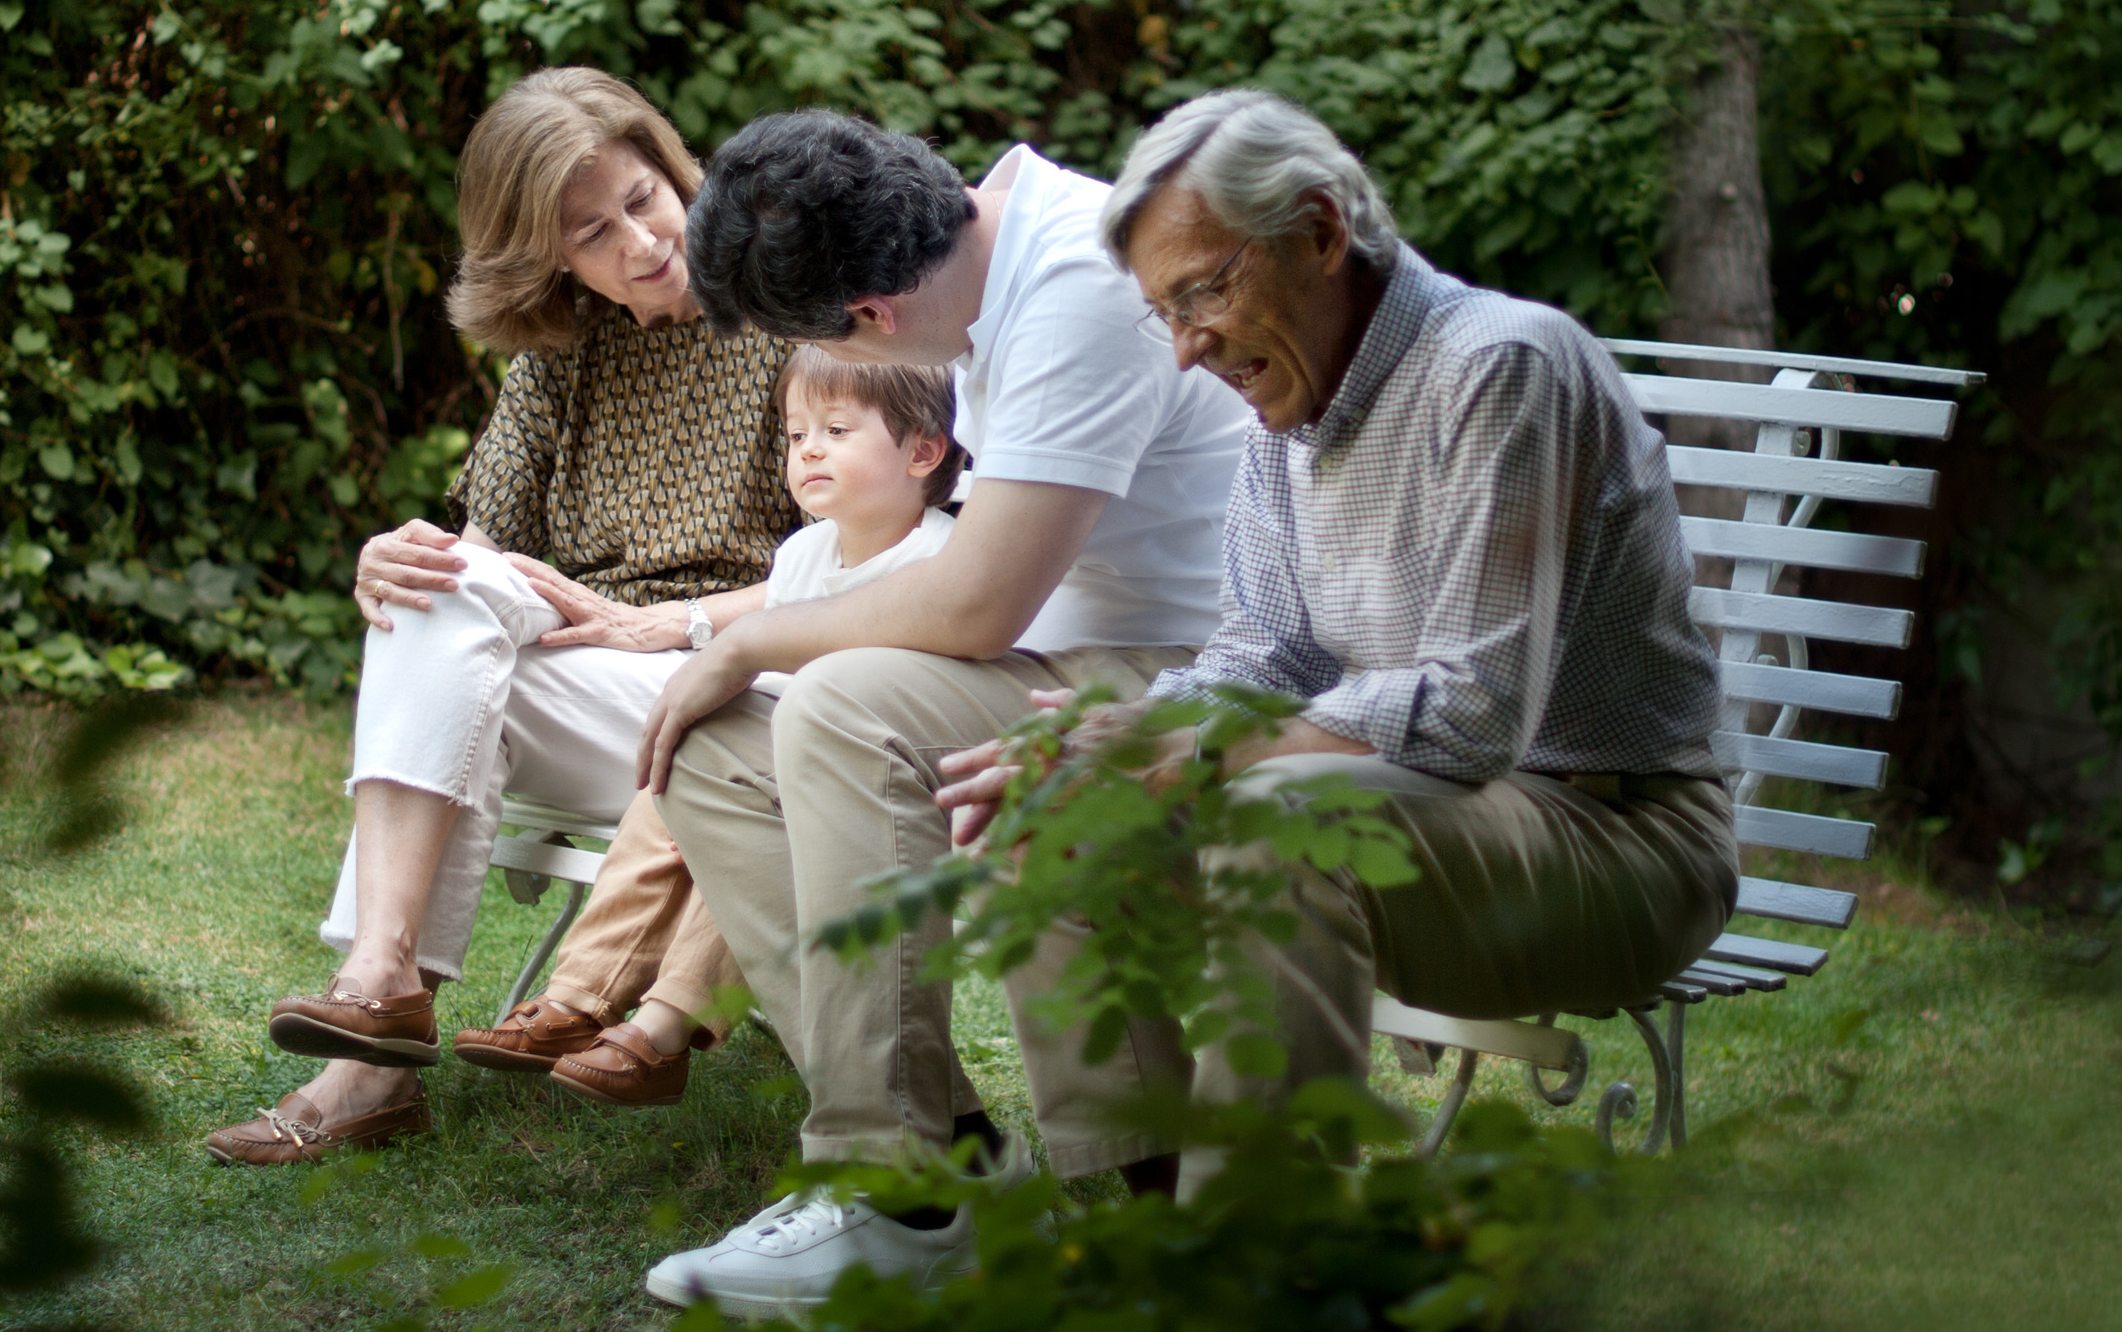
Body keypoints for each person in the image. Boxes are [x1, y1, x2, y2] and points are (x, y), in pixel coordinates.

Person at [937, 88, 1740, 1197]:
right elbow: (1260, 656)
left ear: (1318, 233)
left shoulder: (1502, 367)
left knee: (1284, 820)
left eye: (1203, 292)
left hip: (1618, 836)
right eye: (1163, 314)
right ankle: (1154, 1197)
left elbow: (1471, 713)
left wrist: (1202, 756)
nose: (1185, 351)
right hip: (1436, 823)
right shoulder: (1287, 414)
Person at [636, 112, 1252, 1316]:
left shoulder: (1079, 285)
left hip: (1194, 675)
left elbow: (975, 603)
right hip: (1071, 655)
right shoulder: (997, 252)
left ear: (864, 323)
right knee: (712, 753)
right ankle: (956, 1165)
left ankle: (893, 1191)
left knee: (841, 704)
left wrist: (748, 635)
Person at [204, 68, 799, 1166]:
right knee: (435, 594)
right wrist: (399, 564)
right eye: (592, 231)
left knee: (460, 639)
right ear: (549, 257)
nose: (640, 241)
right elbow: (484, 552)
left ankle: (365, 1064)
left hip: (745, 693)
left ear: (676, 170)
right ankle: (380, 990)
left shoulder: (790, 309)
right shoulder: (558, 351)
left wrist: (665, 626)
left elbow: (866, 567)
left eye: (643, 197)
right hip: (603, 705)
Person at [527, 346, 966, 1108]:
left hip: (869, 775)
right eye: (796, 436)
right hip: (776, 753)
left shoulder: (939, 556)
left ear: (924, 451)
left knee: (769, 823)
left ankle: (662, 1028)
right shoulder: (801, 557)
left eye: (836, 429)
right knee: (665, 794)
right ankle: (575, 998)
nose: (809, 451)